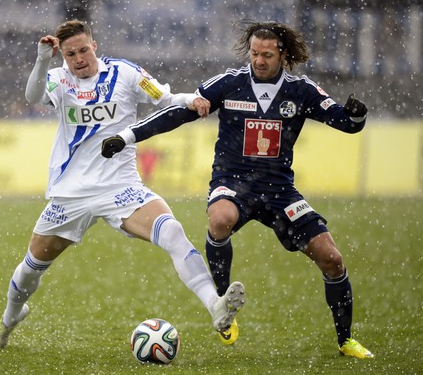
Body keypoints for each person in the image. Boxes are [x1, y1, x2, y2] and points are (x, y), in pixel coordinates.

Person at [101, 20, 373, 359]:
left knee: (332, 259)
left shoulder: (301, 91)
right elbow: (177, 114)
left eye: (267, 55)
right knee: (219, 219)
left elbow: (346, 123)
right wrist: (128, 137)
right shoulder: (230, 84)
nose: (258, 61)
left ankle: (346, 341)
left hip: (279, 191)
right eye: (254, 54)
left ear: (282, 55)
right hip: (232, 182)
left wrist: (357, 115)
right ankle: (222, 306)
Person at [0, 19, 245, 349]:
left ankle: (216, 306)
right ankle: (9, 320)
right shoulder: (59, 79)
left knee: (173, 233)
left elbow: (162, 97)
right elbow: (32, 96)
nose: (78, 59)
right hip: (71, 194)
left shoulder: (124, 73)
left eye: (83, 50)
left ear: (94, 46)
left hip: (120, 187)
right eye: (70, 54)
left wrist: (190, 99)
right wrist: (42, 58)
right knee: (30, 269)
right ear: (62, 56)